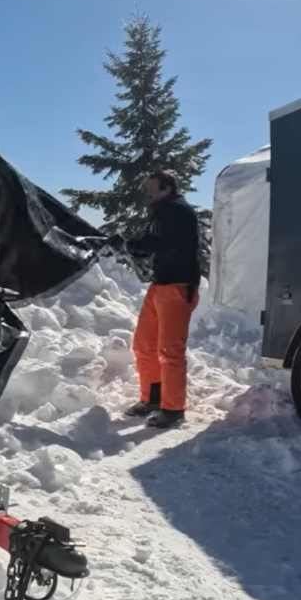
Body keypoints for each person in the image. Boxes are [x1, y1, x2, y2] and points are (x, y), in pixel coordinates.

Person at [114, 171, 201, 428]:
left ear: (167, 188)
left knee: (170, 350)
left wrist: (129, 245)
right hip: (160, 284)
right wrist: (133, 246)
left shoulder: (177, 211)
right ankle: (152, 398)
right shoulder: (162, 211)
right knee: (144, 345)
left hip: (178, 285)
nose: (148, 192)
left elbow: (160, 243)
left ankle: (173, 409)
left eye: (152, 188)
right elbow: (153, 243)